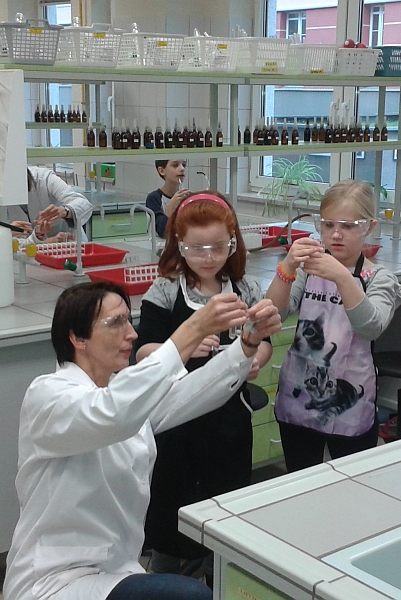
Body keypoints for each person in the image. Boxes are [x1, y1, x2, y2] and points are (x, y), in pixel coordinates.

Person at [3, 281, 281, 600]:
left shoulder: (123, 391)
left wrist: (247, 343)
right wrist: (194, 329)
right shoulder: (48, 396)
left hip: (115, 569)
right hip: (54, 579)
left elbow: (194, 392)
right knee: (190, 596)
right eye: (116, 322)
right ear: (78, 338)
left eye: (129, 320)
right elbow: (112, 414)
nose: (132, 334)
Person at [133, 191, 273, 578]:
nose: (208, 258)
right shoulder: (165, 290)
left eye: (218, 247)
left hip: (229, 423)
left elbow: (263, 342)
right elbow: (143, 351)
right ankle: (164, 575)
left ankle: (216, 575)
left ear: (233, 243)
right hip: (176, 424)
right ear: (179, 245)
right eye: (197, 249)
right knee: (171, 509)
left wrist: (256, 358)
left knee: (224, 505)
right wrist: (181, 347)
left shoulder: (245, 289)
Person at [266, 180, 401, 473]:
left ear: (370, 227)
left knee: (351, 483)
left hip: (349, 402)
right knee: (300, 480)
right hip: (300, 396)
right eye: (328, 225)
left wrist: (342, 277)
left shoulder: (380, 279)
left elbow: (370, 327)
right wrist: (287, 268)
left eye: (348, 226)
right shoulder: (309, 270)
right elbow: (272, 314)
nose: (336, 234)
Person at [9, 166, 94, 243]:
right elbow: (10, 241)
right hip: (27, 250)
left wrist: (65, 211)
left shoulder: (44, 178)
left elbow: (83, 203)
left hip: (68, 244)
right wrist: (48, 241)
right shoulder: (1, 196)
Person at [145, 160, 190, 238]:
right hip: (159, 244)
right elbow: (162, 232)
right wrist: (171, 207)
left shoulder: (187, 197)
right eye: (175, 165)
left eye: (184, 165)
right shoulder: (154, 198)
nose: (182, 168)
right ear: (162, 171)